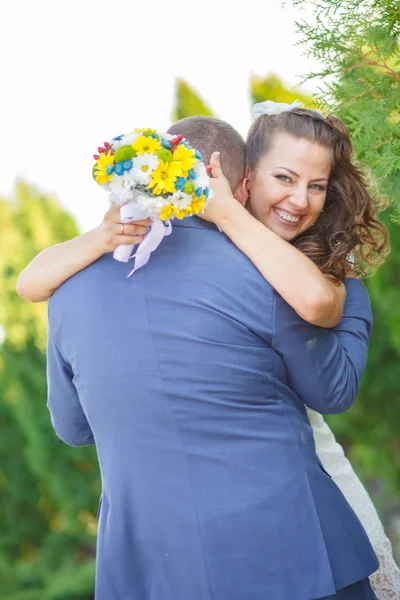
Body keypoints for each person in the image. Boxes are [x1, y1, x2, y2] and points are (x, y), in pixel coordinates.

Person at [17, 112, 392, 599]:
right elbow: (333, 390)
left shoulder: (66, 291)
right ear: (240, 185)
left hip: (154, 575)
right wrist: (354, 297)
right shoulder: (271, 275)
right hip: (295, 559)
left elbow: (72, 428)